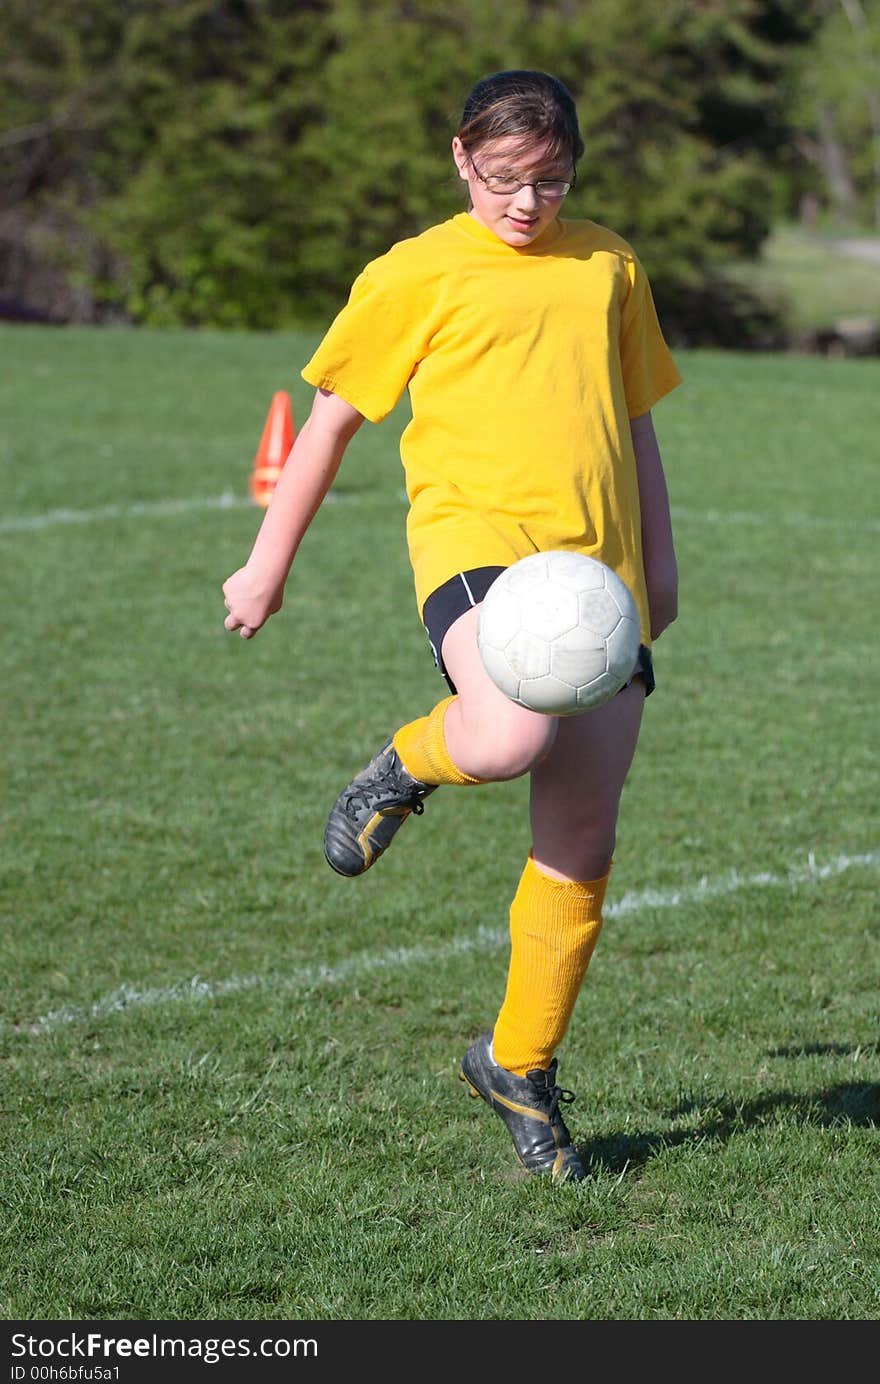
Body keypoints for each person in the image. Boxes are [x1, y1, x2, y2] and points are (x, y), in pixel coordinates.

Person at [222, 69, 681, 1183]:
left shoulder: (609, 263)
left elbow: (633, 419)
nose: (528, 204)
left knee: (582, 838)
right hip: (477, 549)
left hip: (597, 580)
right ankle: (406, 760)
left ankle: (518, 1064)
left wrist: (657, 563)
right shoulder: (413, 272)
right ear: (461, 159)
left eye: (552, 179)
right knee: (509, 735)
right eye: (505, 180)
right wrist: (265, 566)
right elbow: (327, 427)